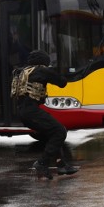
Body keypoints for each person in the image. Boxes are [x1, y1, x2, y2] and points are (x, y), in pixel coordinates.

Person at [13, 49, 78, 179]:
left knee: (52, 133)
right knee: (60, 131)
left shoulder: (22, 71)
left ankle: (61, 164)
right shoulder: (41, 71)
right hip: (31, 111)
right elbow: (62, 82)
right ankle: (42, 163)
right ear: (43, 62)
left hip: (22, 112)